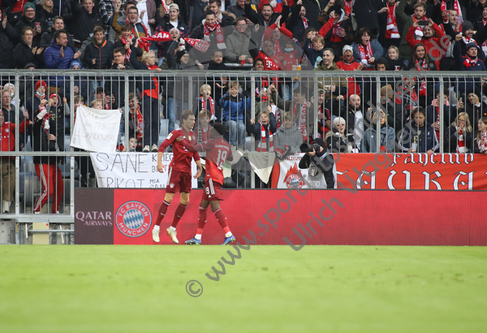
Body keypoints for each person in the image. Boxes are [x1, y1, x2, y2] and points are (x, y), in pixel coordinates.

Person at [176, 123, 235, 245]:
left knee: (215, 207)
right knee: (202, 207)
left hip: (212, 178)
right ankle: (198, 237)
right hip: (217, 176)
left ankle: (228, 234)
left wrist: (182, 141)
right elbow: (230, 158)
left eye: (212, 130)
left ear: (216, 132)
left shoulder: (211, 143)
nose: (211, 131)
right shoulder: (226, 145)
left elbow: (192, 149)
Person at [152, 110, 203, 244]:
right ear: (184, 120)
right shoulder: (176, 133)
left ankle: (172, 228)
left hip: (187, 172)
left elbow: (195, 153)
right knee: (168, 198)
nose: (193, 122)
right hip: (176, 170)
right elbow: (162, 146)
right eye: (191, 120)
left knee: (185, 201)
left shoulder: (193, 136)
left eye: (194, 120)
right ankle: (156, 227)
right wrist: (159, 163)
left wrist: (199, 167)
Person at [24, 101, 64, 214]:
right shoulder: (34, 127)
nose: (47, 119)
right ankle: (36, 210)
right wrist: (42, 109)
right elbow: (38, 122)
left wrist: (55, 139)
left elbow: (60, 137)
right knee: (48, 190)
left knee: (60, 187)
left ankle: (55, 210)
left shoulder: (50, 129)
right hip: (42, 162)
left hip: (53, 162)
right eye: (45, 117)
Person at [0, 109, 29, 213]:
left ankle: (6, 209)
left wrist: (26, 119)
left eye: (2, 116)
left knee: (9, 185)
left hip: (8, 161)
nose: (1, 118)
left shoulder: (9, 125)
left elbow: (21, 129)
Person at [220, 81, 251, 148]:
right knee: (233, 124)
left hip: (239, 119)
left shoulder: (241, 97)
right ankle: (233, 145)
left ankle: (241, 145)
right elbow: (222, 105)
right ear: (229, 90)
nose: (234, 91)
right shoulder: (227, 96)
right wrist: (223, 100)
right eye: (232, 89)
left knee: (242, 127)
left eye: (236, 89)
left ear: (238, 90)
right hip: (228, 120)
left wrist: (247, 97)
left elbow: (247, 107)